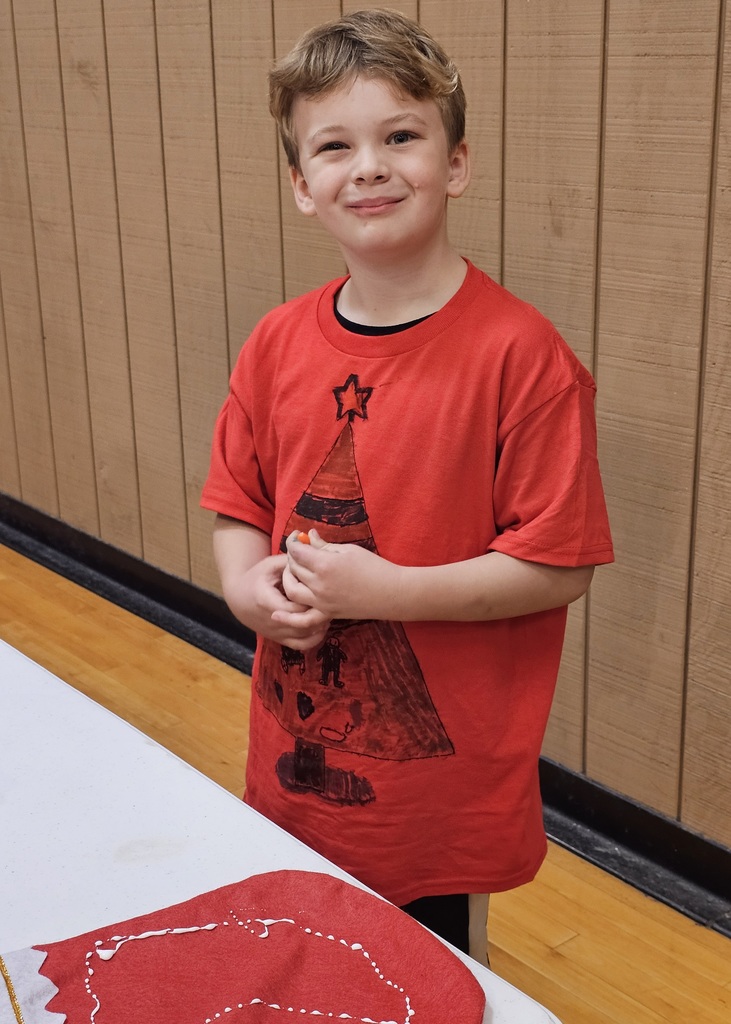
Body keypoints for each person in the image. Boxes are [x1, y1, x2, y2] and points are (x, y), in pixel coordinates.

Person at [201, 8, 613, 965]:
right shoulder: (274, 341)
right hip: (292, 757)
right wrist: (240, 584)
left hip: (443, 790)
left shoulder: (522, 357)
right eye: (335, 145)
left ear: (455, 163)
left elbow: (555, 566)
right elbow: (237, 499)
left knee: (425, 975)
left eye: (400, 136)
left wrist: (384, 593)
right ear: (303, 186)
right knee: (302, 950)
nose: (370, 165)